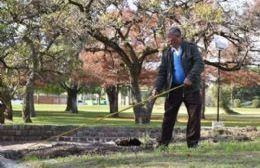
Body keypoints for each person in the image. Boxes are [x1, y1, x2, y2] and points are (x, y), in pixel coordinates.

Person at [153, 27, 204, 148]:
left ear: (178, 37)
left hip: (192, 89)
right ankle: (163, 144)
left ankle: (193, 145)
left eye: (171, 39)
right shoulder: (167, 53)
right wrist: (157, 87)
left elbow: (199, 64)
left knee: (194, 117)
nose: (169, 41)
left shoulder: (191, 48)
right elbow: (162, 72)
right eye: (168, 39)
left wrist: (190, 78)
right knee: (168, 117)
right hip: (174, 88)